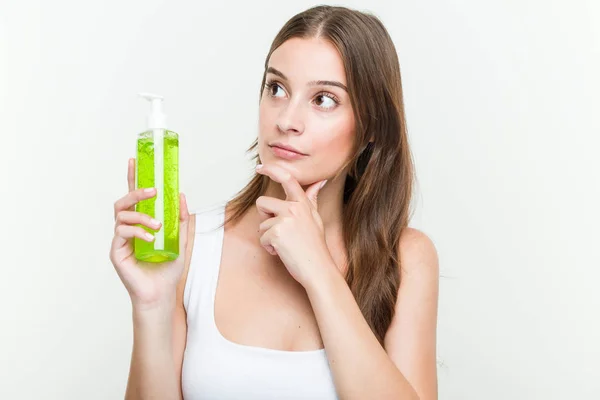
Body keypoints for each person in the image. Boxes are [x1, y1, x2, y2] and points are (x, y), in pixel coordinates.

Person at [110, 5, 439, 400]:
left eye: (323, 99)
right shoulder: (191, 243)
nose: (287, 120)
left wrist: (318, 271)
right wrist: (152, 307)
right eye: (276, 89)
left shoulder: (405, 259)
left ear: (370, 129)